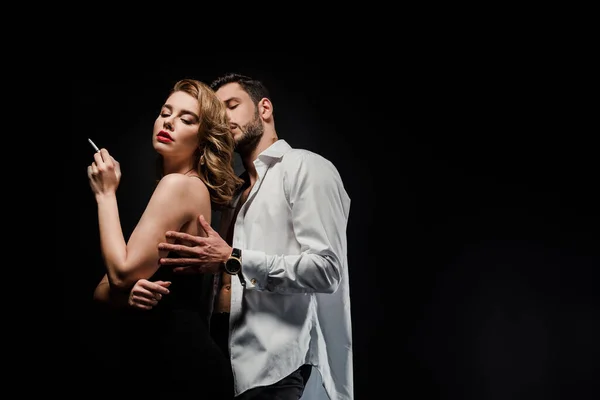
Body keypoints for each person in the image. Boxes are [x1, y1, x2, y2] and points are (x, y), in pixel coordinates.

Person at [146, 73, 353, 399]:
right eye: (217, 111)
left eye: (232, 105)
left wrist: (234, 258)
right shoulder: (232, 192)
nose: (224, 117)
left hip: (272, 367)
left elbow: (326, 271)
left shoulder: (306, 167)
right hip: (213, 357)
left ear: (264, 109)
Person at [88, 78, 243, 398]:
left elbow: (119, 274)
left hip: (181, 366)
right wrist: (125, 293)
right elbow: (102, 291)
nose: (169, 122)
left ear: (203, 140)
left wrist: (105, 195)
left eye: (186, 119)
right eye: (165, 112)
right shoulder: (181, 186)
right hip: (166, 363)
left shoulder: (180, 186)